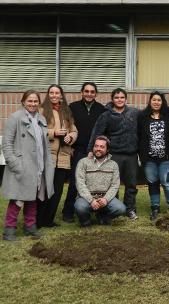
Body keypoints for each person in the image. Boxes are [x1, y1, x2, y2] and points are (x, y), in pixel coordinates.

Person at [2, 90, 54, 241]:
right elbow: (6, 145)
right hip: (22, 165)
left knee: (33, 196)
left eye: (35, 101)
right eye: (29, 101)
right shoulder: (15, 118)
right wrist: (16, 165)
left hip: (37, 165)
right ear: (23, 102)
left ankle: (30, 226)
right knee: (18, 198)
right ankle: (9, 230)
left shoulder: (41, 119)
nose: (32, 104)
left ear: (39, 103)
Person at [89, 88, 140, 220]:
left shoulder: (134, 113)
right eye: (117, 97)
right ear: (112, 99)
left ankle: (130, 209)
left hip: (131, 154)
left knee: (131, 184)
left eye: (122, 97)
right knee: (112, 184)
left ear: (126, 99)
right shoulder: (106, 115)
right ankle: (113, 209)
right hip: (113, 155)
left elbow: (148, 118)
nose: (119, 100)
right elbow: (97, 133)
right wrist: (91, 150)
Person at [62, 82, 106, 223]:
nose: (89, 94)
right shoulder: (73, 107)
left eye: (92, 91)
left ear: (96, 94)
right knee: (75, 182)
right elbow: (67, 128)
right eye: (86, 91)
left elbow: (104, 131)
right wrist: (70, 147)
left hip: (97, 152)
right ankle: (68, 212)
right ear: (82, 92)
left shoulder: (101, 109)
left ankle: (99, 211)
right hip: (78, 151)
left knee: (98, 182)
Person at [37, 84, 77, 228]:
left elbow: (74, 130)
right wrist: (54, 133)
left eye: (57, 93)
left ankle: (49, 220)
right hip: (48, 156)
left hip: (64, 158)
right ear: (48, 95)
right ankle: (38, 220)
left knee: (57, 191)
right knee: (44, 190)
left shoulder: (66, 111)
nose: (54, 95)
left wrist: (70, 137)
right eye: (51, 93)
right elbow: (37, 131)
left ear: (61, 95)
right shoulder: (41, 110)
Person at [137, 91, 169, 222]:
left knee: (168, 183)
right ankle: (155, 208)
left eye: (159, 100)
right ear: (150, 101)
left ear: (162, 102)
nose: (156, 102)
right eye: (154, 99)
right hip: (149, 160)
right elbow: (139, 137)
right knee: (152, 183)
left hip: (167, 159)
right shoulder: (143, 117)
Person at [74, 136, 126, 227]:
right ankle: (85, 221)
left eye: (102, 147)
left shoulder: (113, 165)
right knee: (80, 207)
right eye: (96, 146)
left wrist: (106, 199)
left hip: (105, 198)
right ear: (93, 147)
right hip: (87, 198)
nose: (98, 149)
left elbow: (115, 185)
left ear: (107, 149)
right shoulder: (83, 162)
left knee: (120, 209)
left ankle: (103, 217)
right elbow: (80, 184)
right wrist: (91, 200)